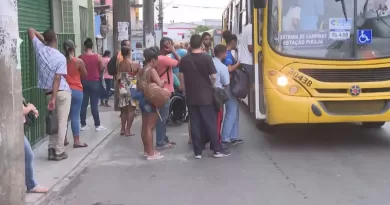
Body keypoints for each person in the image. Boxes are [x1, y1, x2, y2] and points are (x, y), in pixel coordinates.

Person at [179, 34, 230, 159]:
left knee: (195, 123)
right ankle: (216, 150)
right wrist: (211, 85)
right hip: (206, 96)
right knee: (210, 123)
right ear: (201, 44)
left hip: (191, 96)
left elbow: (181, 76)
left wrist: (184, 89)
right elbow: (213, 76)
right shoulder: (207, 58)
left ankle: (198, 152)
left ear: (190, 45)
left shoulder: (184, 59)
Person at [28, 28, 71, 161]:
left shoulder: (40, 49)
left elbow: (31, 30)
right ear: (56, 39)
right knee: (61, 122)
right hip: (62, 92)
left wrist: (44, 41)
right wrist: (54, 97)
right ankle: (59, 151)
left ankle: (51, 150)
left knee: (52, 120)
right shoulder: (60, 57)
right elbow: (57, 79)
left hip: (48, 92)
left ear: (45, 40)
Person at [137, 48, 166, 160]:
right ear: (153, 60)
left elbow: (139, 86)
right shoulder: (152, 70)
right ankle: (151, 153)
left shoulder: (142, 70)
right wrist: (163, 81)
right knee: (150, 127)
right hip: (150, 100)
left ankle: (146, 150)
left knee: (144, 126)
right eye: (157, 60)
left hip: (142, 99)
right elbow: (159, 84)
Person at [155, 37, 180, 149]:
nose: (172, 46)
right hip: (164, 92)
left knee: (163, 117)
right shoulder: (163, 59)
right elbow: (181, 62)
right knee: (162, 118)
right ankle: (160, 142)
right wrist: (173, 50)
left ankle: (164, 138)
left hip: (162, 91)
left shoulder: (159, 58)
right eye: (171, 45)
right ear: (166, 46)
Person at [63, 40, 88, 148]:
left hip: (64, 90)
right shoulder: (79, 61)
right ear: (73, 49)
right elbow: (85, 75)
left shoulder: (61, 60)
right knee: (75, 116)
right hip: (77, 90)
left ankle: (63, 139)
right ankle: (76, 141)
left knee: (63, 117)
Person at [79, 38, 107, 132]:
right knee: (94, 105)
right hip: (94, 82)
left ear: (84, 47)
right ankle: (97, 125)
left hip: (83, 82)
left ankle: (83, 124)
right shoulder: (98, 57)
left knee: (84, 104)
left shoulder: (80, 57)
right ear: (92, 46)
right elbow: (102, 67)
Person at [221, 31, 244, 146]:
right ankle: (225, 137)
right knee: (231, 111)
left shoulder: (225, 52)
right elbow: (229, 69)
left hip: (229, 85)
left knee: (234, 111)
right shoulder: (228, 54)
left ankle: (233, 136)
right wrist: (239, 64)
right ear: (233, 42)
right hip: (229, 86)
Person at [23, 102, 49, 193]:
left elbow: (23, 106)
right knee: (29, 156)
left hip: (17, 130)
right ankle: (31, 184)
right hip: (12, 130)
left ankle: (31, 184)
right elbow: (21, 110)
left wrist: (31, 109)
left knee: (28, 156)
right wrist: (30, 107)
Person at [117, 44, 140, 136]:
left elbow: (118, 76)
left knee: (124, 110)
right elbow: (136, 75)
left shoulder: (120, 64)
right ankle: (128, 130)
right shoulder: (133, 63)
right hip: (131, 87)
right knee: (131, 110)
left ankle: (122, 129)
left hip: (122, 87)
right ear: (129, 52)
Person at [213, 44, 230, 144]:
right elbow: (226, 83)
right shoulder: (223, 67)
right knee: (218, 119)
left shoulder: (209, 62)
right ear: (224, 54)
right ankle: (216, 143)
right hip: (217, 94)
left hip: (206, 93)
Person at [238, 19, 256, 114]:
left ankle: (253, 107)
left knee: (252, 84)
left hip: (247, 61)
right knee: (254, 84)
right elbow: (250, 47)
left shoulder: (248, 27)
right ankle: (254, 108)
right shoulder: (251, 28)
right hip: (248, 61)